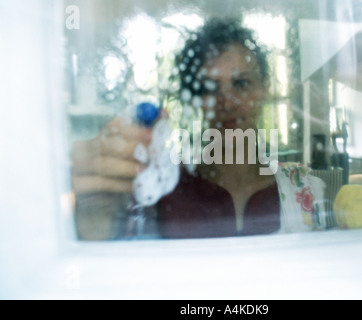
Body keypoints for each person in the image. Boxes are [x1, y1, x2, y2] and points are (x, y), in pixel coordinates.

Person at [72, 18, 326, 240]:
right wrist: (96, 209)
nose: (227, 102)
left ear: (264, 88)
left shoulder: (306, 191)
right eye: (209, 88)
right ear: (193, 99)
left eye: (241, 83)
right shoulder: (163, 190)